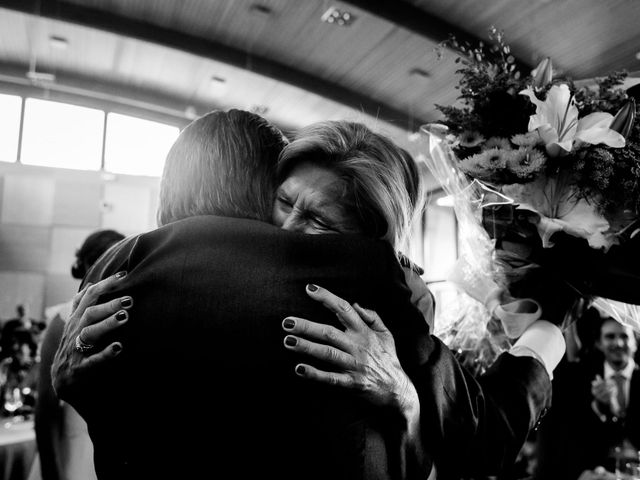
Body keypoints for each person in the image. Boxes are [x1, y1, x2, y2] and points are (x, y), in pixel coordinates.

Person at [51, 111, 557, 480]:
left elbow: (481, 435)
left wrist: (408, 401)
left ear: (369, 242)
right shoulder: (160, 274)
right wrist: (73, 384)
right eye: (284, 201)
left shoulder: (377, 296)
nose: (288, 230)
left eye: (318, 221)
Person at [35, 229, 125, 480]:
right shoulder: (63, 319)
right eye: (101, 259)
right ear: (86, 266)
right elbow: (45, 410)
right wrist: (50, 472)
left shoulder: (128, 316)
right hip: (72, 450)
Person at [533, 314, 639, 480]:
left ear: (635, 343)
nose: (618, 343)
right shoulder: (584, 378)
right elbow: (574, 433)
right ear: (599, 343)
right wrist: (599, 408)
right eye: (610, 337)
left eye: (624, 336)